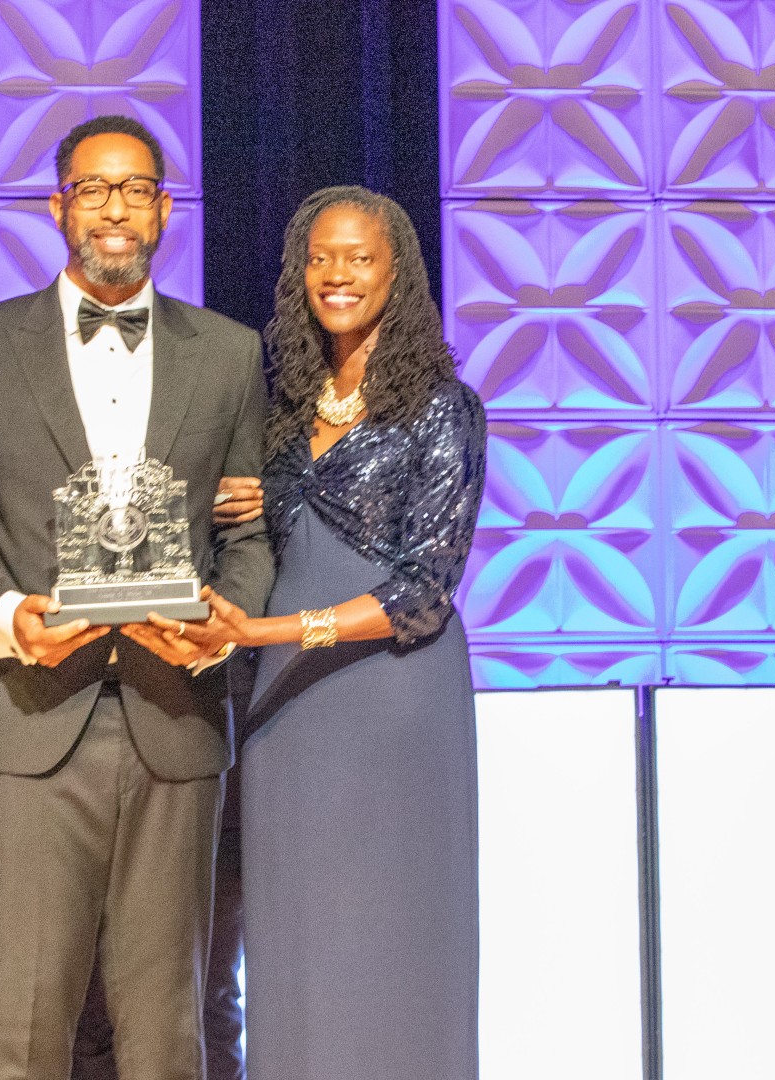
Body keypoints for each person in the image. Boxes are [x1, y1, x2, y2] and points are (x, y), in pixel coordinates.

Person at [0, 114, 273, 1080]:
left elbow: (246, 529)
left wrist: (225, 625)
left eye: (136, 189)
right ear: (58, 205)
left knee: (170, 1027)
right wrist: (5, 612)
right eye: (95, 189)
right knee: (22, 1024)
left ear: (165, 209)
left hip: (175, 715)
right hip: (25, 715)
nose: (116, 209)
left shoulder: (229, 352)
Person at [162, 186, 486, 1080]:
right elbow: (288, 524)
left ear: (397, 272)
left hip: (393, 701)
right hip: (286, 708)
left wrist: (265, 629)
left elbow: (424, 590)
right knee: (297, 938)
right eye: (320, 258)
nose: (337, 274)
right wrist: (256, 498)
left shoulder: (444, 408)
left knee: (394, 933)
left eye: (360, 257)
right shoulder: (286, 412)